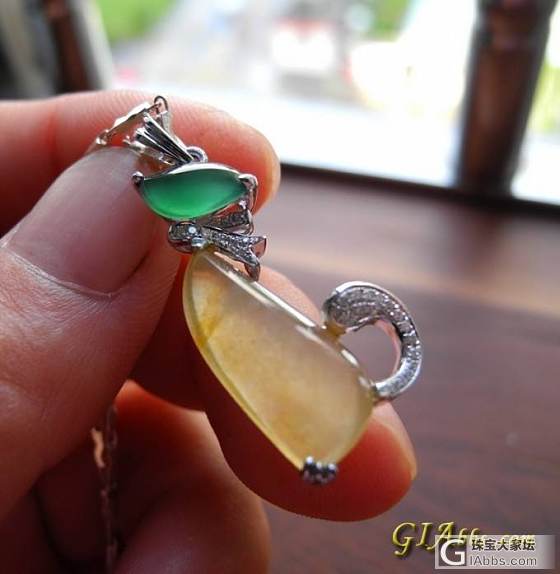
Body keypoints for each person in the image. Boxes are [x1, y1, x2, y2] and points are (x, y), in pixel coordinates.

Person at [0, 91, 416, 572]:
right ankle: (316, 441)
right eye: (236, 208)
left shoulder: (208, 275)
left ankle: (317, 439)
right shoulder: (205, 278)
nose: (241, 213)